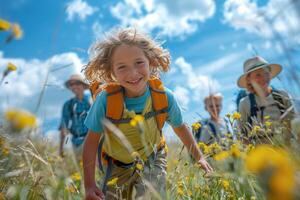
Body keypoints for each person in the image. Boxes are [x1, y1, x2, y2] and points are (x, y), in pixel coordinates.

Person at [82, 28, 213, 200]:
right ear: (111, 72)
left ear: (150, 62)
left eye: (139, 63)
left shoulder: (164, 96)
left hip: (153, 157)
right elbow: (91, 143)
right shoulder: (106, 100)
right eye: (122, 67)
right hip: (116, 164)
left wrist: (200, 158)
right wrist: (90, 186)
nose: (133, 73)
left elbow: (180, 127)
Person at [237, 56, 295, 144]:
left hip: (287, 152)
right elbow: (242, 135)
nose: (263, 78)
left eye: (266, 73)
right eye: (258, 75)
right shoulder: (245, 104)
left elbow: (294, 124)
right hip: (261, 155)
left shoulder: (282, 96)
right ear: (249, 79)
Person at [59, 74, 91, 160]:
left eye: (77, 83)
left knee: (96, 169)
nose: (74, 86)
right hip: (76, 142)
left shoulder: (92, 101)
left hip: (92, 140)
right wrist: (61, 149)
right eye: (71, 85)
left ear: (84, 85)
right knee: (81, 170)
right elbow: (64, 127)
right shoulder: (68, 105)